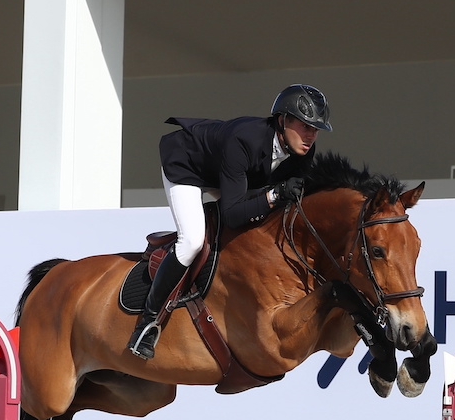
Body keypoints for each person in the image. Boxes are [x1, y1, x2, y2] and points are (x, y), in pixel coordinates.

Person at [127, 84, 332, 360]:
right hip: (188, 164)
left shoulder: (304, 151)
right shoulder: (244, 139)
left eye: (316, 129)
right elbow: (234, 212)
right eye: (306, 126)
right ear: (283, 121)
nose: (311, 135)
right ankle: (148, 323)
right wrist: (274, 195)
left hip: (231, 175)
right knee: (192, 241)